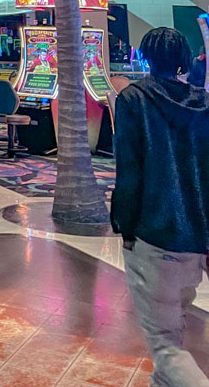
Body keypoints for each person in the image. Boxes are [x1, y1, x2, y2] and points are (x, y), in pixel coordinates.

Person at [111, 27, 209, 387]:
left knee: (168, 348)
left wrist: (124, 226)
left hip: (155, 234)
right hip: (196, 238)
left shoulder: (134, 99)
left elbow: (130, 171)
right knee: (172, 335)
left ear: (146, 57)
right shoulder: (204, 101)